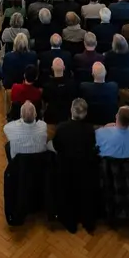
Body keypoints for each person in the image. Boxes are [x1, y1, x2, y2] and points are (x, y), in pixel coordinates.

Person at [51, 98, 98, 233]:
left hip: (66, 169)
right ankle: (87, 221)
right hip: (84, 169)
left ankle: (70, 222)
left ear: (71, 110)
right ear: (85, 113)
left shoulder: (61, 128)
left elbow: (56, 146)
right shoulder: (89, 130)